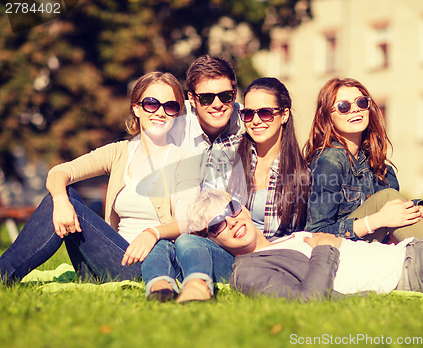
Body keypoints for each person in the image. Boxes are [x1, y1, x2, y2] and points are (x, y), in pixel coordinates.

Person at [0, 71, 200, 289]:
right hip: (108, 258)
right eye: (151, 103)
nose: (160, 112)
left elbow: (189, 222)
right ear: (136, 108)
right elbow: (59, 172)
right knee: (65, 196)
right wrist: (60, 200)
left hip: (149, 267)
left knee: (71, 205)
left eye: (170, 106)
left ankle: (4, 272)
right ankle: (4, 272)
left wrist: (153, 233)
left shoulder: (183, 159)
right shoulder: (120, 153)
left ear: (178, 113)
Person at [188, 189, 423, 300]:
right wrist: (325, 248)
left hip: (421, 246)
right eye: (216, 224)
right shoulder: (247, 272)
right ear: (212, 237)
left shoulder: (287, 236)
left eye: (230, 209)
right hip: (418, 274)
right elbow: (306, 302)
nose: (230, 222)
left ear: (242, 207)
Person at [169, 77, 310, 302]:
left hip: (277, 263)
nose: (255, 121)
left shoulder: (302, 171)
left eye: (265, 113)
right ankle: (196, 288)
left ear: (284, 115)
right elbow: (207, 211)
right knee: (185, 242)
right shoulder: (226, 152)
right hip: (231, 256)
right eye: (248, 113)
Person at [140, 55, 246, 302]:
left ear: (235, 93)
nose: (217, 104)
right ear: (192, 99)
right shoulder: (173, 129)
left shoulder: (251, 124)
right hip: (182, 231)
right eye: (207, 98)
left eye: (226, 96)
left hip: (234, 235)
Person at [303, 77, 423, 243]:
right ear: (327, 116)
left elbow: (397, 210)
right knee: (387, 198)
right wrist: (377, 220)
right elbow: (315, 232)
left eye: (361, 102)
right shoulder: (330, 160)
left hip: (372, 248)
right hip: (339, 252)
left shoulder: (376, 164)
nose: (355, 109)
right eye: (344, 106)